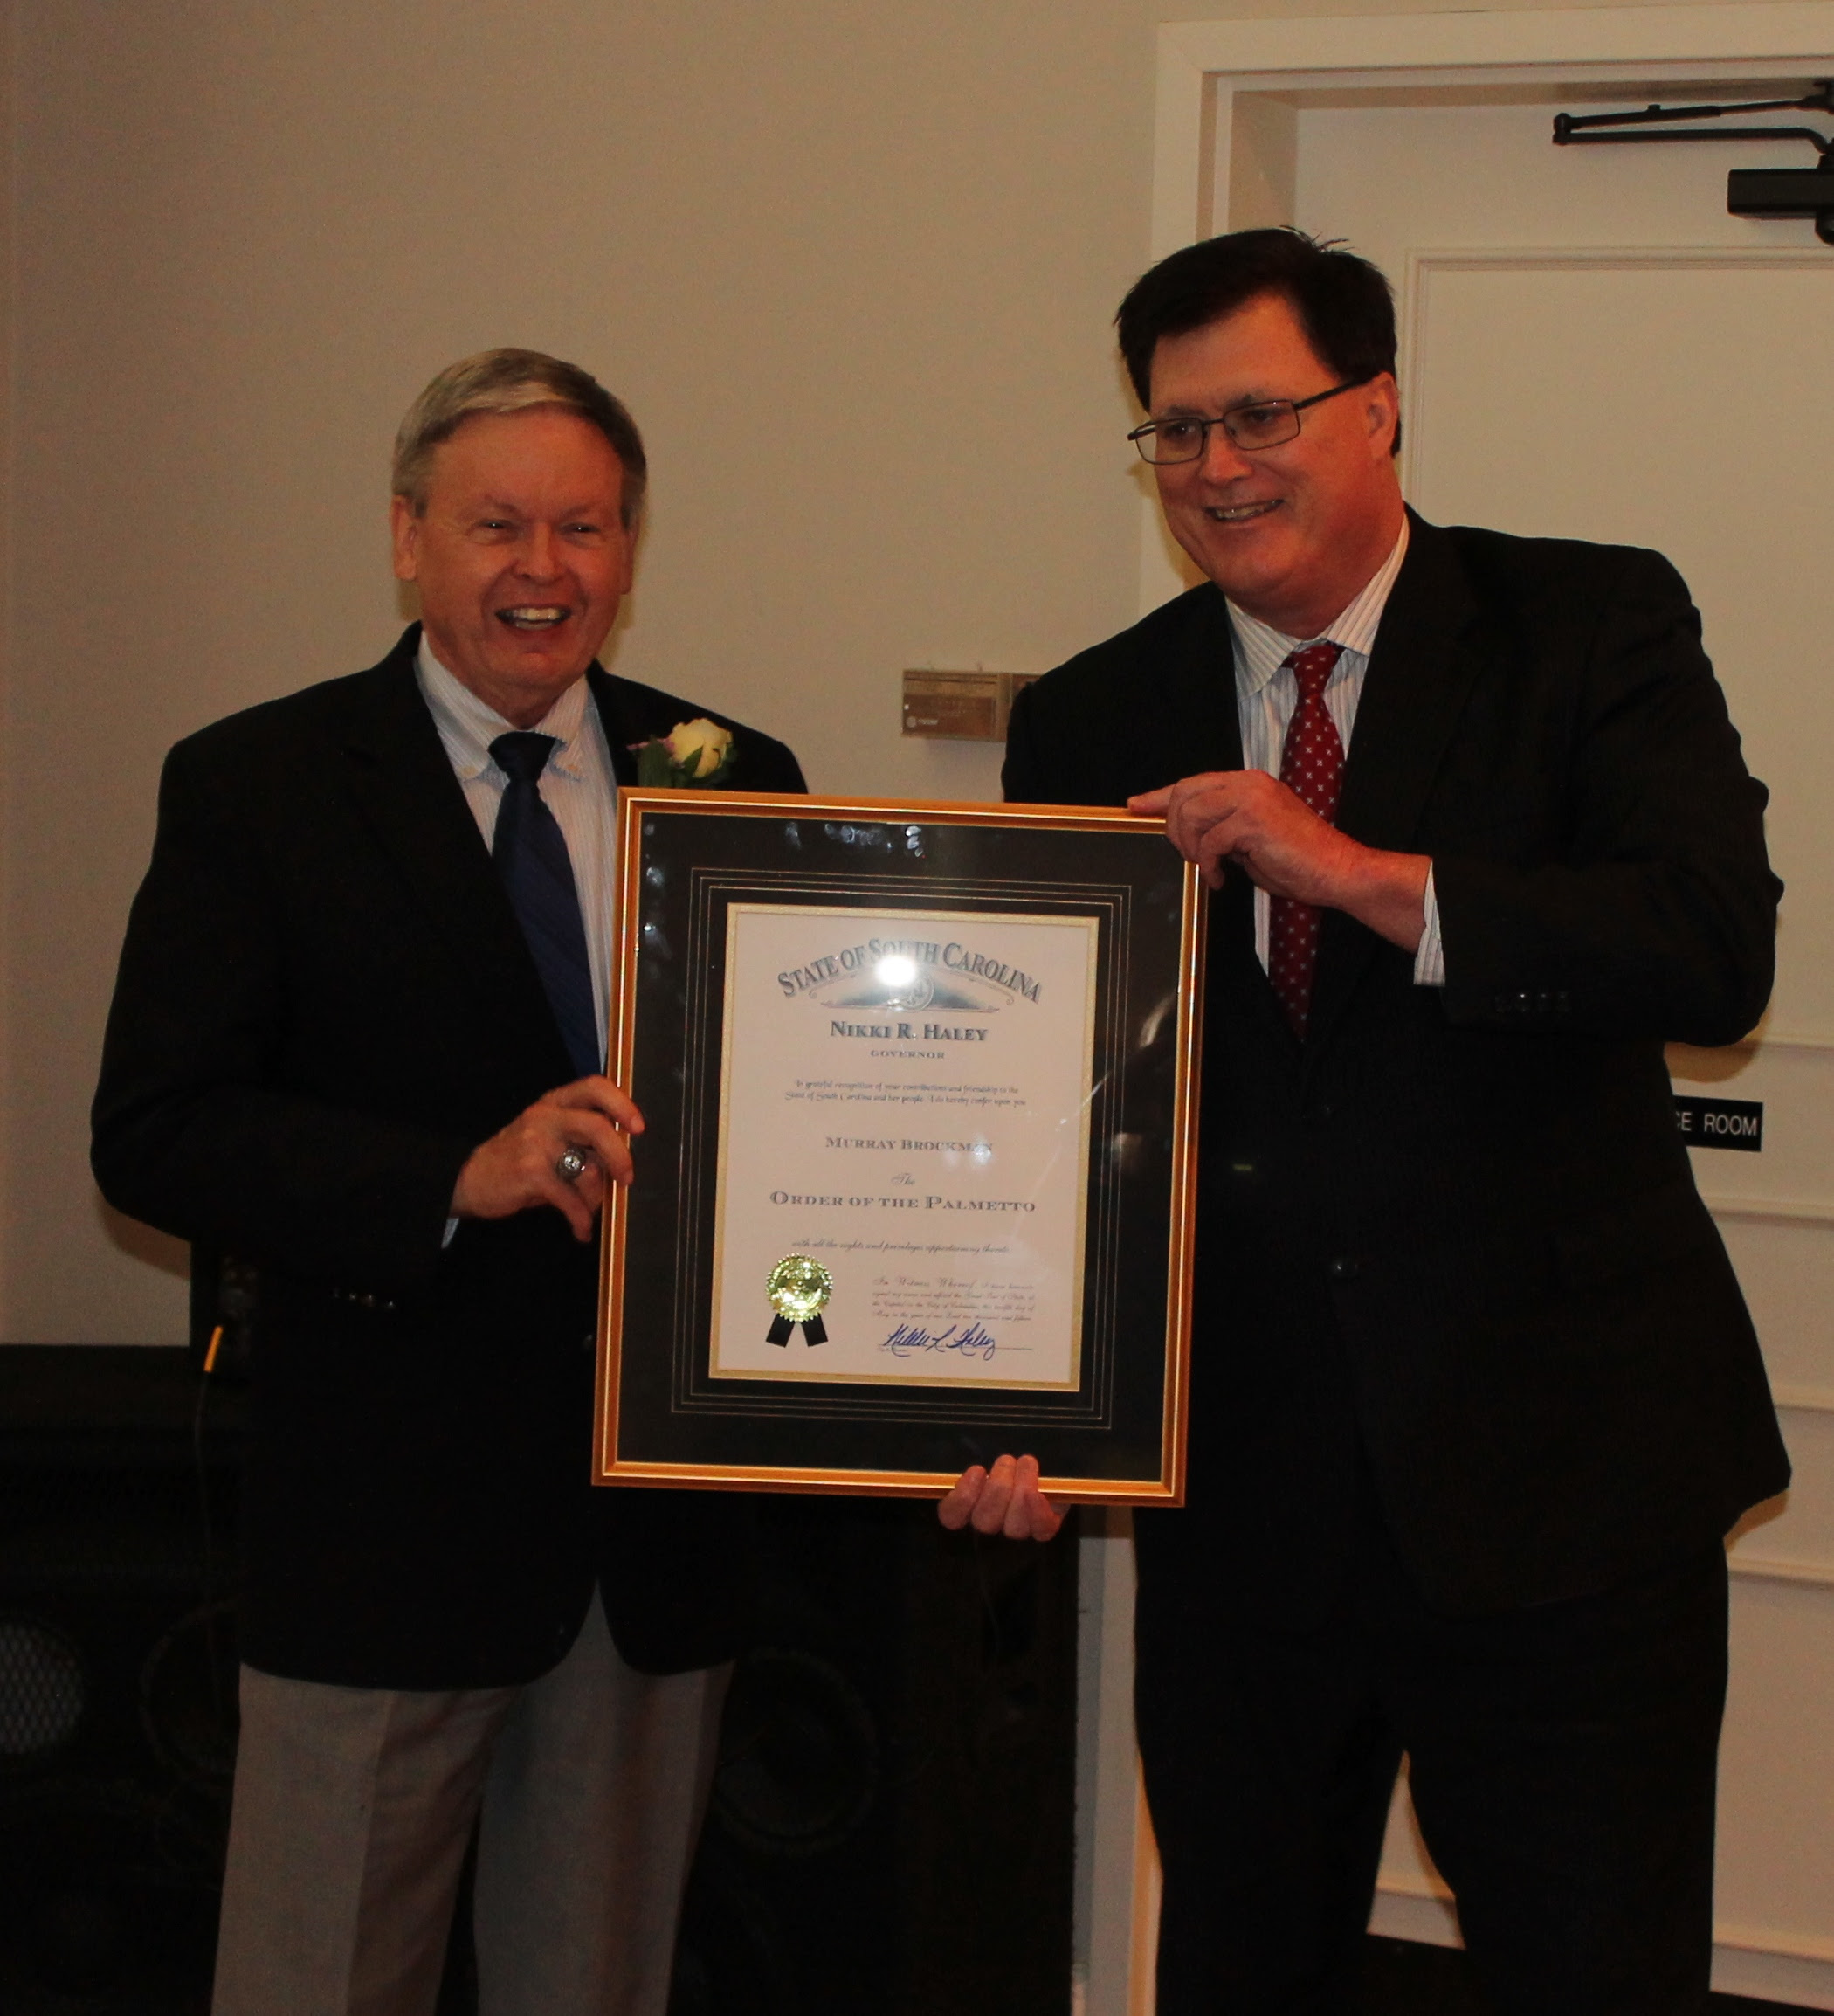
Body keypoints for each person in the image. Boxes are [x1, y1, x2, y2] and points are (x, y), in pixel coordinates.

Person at [940, 231, 1789, 2013]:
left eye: (1260, 413)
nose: (1217, 467)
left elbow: (1709, 948)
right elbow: (1044, 1106)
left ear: (1381, 404)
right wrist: (999, 1384)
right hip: (1243, 1509)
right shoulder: (1094, 714)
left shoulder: (1586, 625)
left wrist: (1360, 874)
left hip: (1561, 1492)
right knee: (1244, 1967)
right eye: (1173, 432)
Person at [92, 349, 806, 2016]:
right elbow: (156, 1131)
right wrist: (448, 1176)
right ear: (407, 537)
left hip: (652, 1545)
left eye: (585, 527)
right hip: (383, 1533)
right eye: (497, 525)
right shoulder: (257, 787)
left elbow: (798, 1122)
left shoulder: (735, 777)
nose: (541, 570)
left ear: (632, 552)